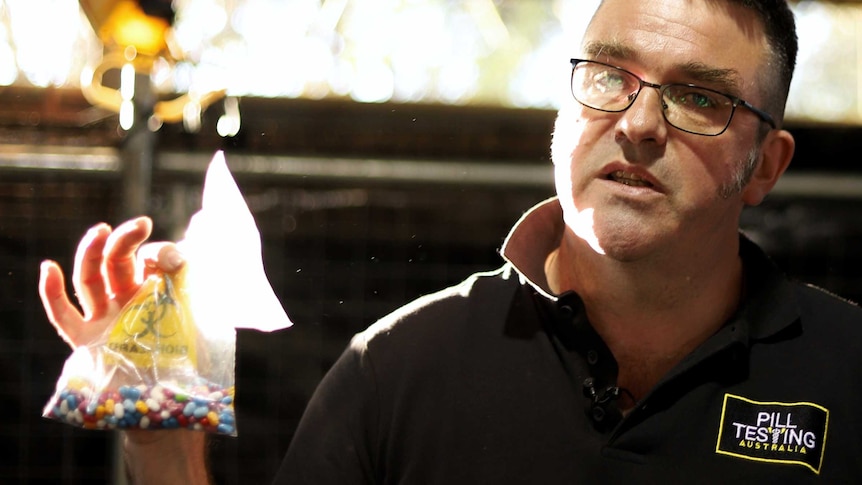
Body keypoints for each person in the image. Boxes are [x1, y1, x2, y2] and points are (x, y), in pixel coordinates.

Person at [39, 0, 862, 482]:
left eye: (698, 99)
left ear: (765, 165)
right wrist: (159, 420)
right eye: (611, 76)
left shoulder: (846, 371)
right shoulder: (398, 366)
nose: (639, 123)